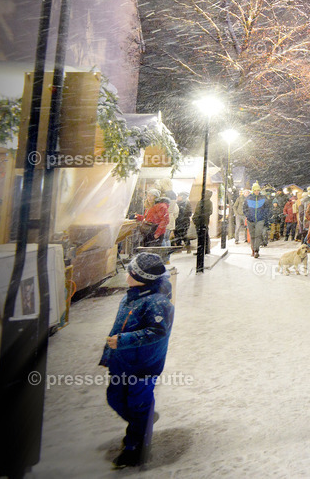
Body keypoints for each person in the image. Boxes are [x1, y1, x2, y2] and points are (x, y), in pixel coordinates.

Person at [100, 252, 174, 468]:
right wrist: (111, 351)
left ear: (141, 278)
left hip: (144, 365)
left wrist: (124, 340)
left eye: (130, 272)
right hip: (122, 360)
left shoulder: (158, 303)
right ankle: (141, 422)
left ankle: (135, 446)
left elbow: (158, 332)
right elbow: (120, 324)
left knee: (138, 403)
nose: (126, 274)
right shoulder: (131, 295)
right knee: (115, 397)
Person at [244, 183, 271, 257]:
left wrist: (263, 216)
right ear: (253, 190)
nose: (257, 192)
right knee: (252, 236)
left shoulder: (263, 198)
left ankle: (256, 250)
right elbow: (244, 208)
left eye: (258, 190)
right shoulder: (248, 198)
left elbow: (267, 208)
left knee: (258, 235)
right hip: (250, 220)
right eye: (255, 190)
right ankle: (253, 250)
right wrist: (248, 215)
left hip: (260, 220)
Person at [192, 189, 213, 272]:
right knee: (201, 235)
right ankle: (202, 250)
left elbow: (209, 212)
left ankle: (204, 250)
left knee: (204, 235)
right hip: (200, 220)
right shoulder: (202, 201)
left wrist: (201, 215)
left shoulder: (207, 202)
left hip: (202, 221)